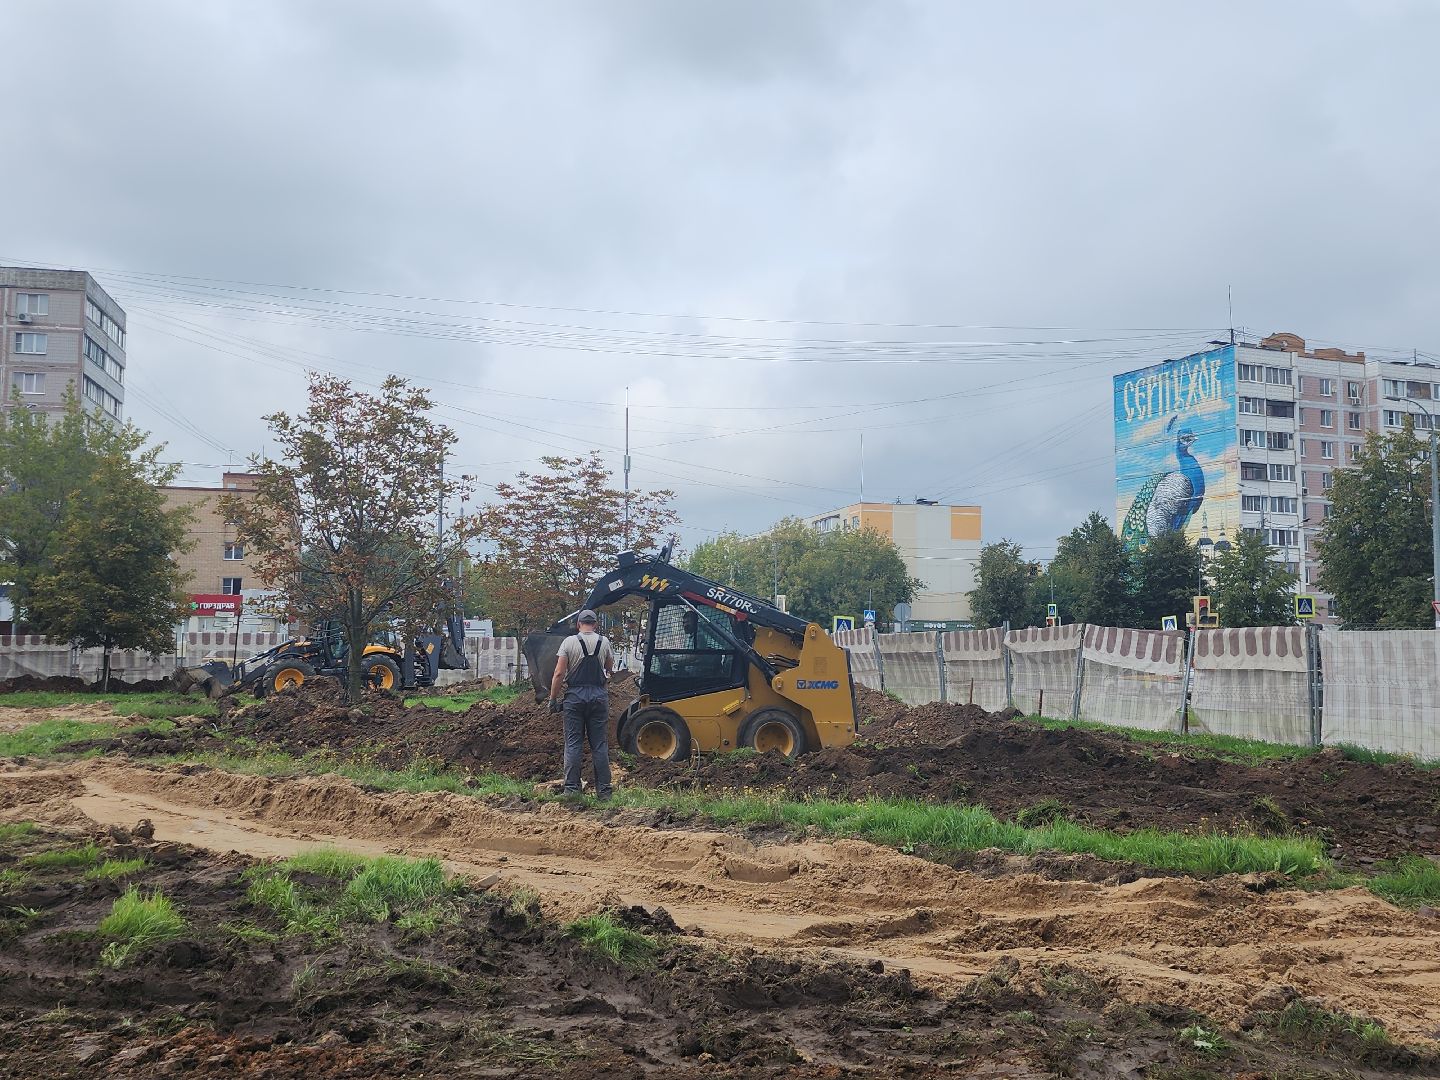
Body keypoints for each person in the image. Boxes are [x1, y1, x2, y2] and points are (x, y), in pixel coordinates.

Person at [548, 609, 614, 800]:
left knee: (573, 745)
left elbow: (559, 674)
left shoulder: (569, 642)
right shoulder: (604, 642)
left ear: (578, 624)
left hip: (575, 697)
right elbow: (609, 669)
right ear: (595, 624)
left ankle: (571, 791)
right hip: (599, 697)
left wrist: (553, 699)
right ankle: (604, 793)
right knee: (600, 745)